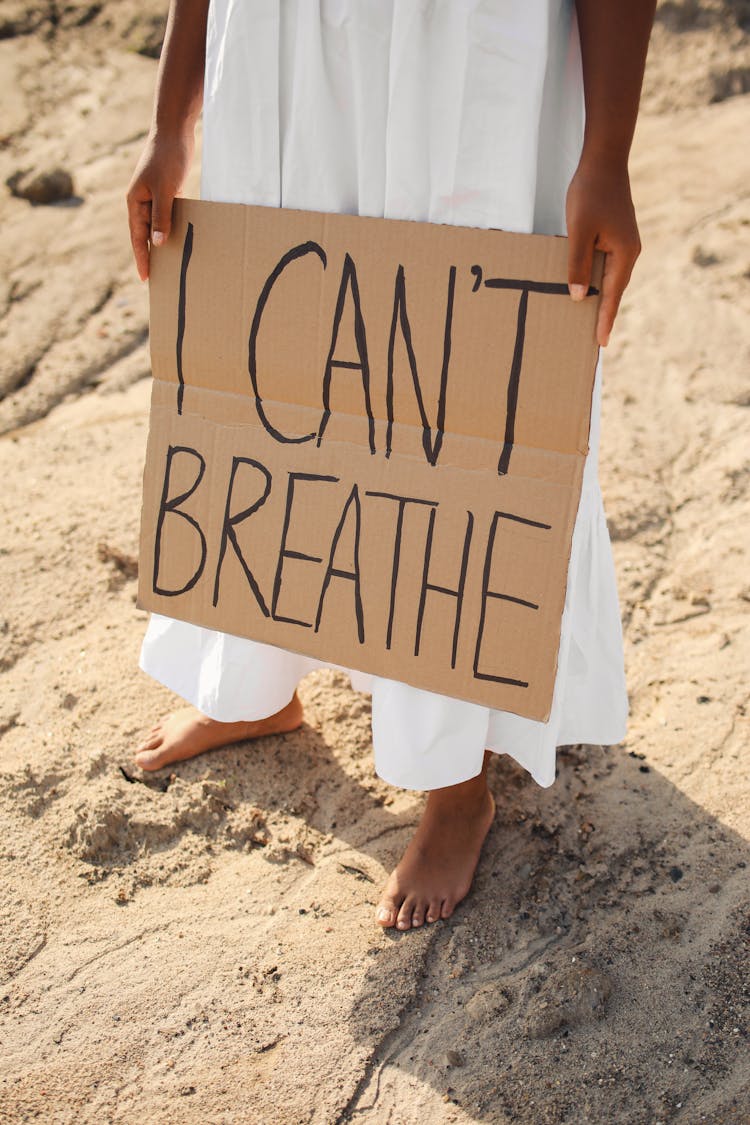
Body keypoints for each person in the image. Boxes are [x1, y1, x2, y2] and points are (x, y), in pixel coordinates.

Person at [126, 0, 655, 933]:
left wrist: (606, 154)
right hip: (283, 39)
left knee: (450, 383)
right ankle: (257, 677)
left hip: (459, 46)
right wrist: (174, 119)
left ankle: (457, 780)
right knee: (284, 345)